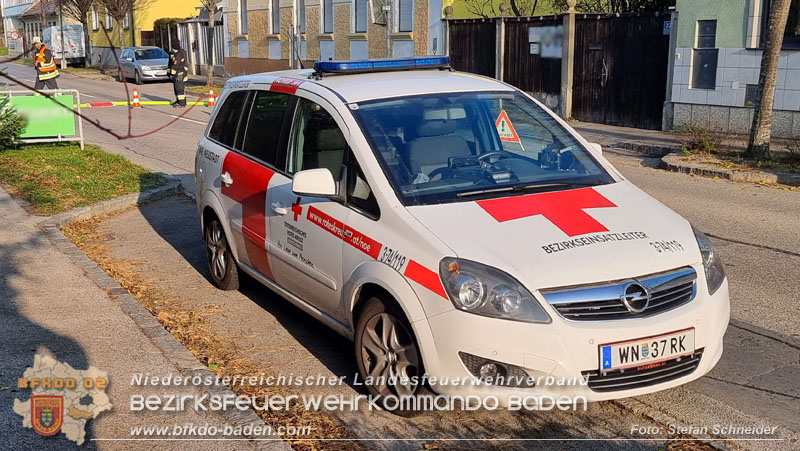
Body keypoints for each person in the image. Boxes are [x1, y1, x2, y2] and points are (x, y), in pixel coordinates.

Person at [168, 39, 188, 108]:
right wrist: (169, 72)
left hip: (179, 73)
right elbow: (171, 63)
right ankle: (179, 101)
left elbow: (175, 65)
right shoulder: (176, 53)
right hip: (179, 73)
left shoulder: (178, 54)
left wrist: (172, 73)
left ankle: (182, 103)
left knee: (179, 88)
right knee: (176, 88)